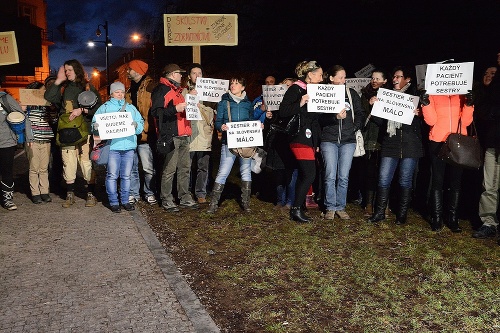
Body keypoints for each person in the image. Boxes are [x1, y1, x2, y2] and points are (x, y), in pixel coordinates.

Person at [367, 66, 423, 225]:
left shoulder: (415, 96)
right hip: (390, 143)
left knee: (405, 181)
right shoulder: (386, 96)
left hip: (410, 145)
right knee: (383, 179)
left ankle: (401, 215)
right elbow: (379, 122)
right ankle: (379, 213)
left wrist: (420, 114)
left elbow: (424, 123)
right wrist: (374, 107)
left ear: (408, 79)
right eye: (394, 77)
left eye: (399, 76)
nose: (395, 79)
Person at [44, 59, 102, 208]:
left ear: (77, 70)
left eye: (69, 70)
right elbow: (49, 98)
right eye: (65, 70)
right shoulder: (63, 88)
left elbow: (99, 110)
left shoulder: (88, 87)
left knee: (85, 162)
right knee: (68, 162)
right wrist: (58, 80)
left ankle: (90, 193)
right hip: (66, 131)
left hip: (85, 131)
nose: (67, 72)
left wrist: (82, 110)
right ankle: (70, 194)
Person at [421, 81, 474, 232]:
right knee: (437, 180)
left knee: (455, 182)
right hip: (438, 141)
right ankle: (437, 218)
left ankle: (452, 218)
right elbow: (431, 121)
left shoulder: (462, 94)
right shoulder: (434, 93)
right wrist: (426, 103)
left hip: (458, 142)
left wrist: (469, 104)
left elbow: (466, 122)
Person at [279, 60, 323, 222]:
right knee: (310, 173)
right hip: (299, 137)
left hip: (310, 138)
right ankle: (296, 209)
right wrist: (300, 102)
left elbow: (316, 120)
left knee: (306, 173)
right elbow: (283, 111)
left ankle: (297, 208)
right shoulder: (296, 89)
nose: (322, 77)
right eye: (319, 74)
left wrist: (317, 142)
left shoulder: (317, 91)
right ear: (310, 75)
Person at [150, 63, 198, 212]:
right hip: (171, 136)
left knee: (185, 168)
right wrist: (175, 109)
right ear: (171, 75)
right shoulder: (161, 90)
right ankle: (166, 199)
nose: (181, 75)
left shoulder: (177, 91)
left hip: (183, 134)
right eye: (179, 73)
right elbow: (156, 112)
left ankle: (184, 197)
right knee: (169, 169)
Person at [319, 65, 364, 220]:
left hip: (348, 141)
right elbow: (318, 118)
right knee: (330, 175)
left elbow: (359, 113)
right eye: (341, 77)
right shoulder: (323, 94)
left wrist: (354, 128)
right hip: (329, 140)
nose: (344, 80)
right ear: (331, 78)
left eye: (345, 77)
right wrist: (334, 118)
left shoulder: (351, 94)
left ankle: (341, 206)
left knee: (343, 176)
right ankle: (330, 207)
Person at [92, 81, 144, 213]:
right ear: (111, 94)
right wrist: (96, 127)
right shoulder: (105, 108)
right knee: (112, 175)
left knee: (126, 176)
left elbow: (140, 122)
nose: (120, 94)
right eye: (117, 92)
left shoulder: (131, 108)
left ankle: (125, 201)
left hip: (128, 147)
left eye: (122, 92)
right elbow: (95, 123)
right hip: (113, 147)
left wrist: (137, 126)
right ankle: (114, 202)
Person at [207, 76, 254, 213]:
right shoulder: (223, 103)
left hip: (246, 144)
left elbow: (251, 121)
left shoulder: (248, 104)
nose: (233, 85)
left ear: (243, 87)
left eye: (237, 83)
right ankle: (214, 204)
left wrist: (258, 126)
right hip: (228, 143)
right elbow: (217, 122)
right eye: (232, 83)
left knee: (246, 172)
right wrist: (221, 127)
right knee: (223, 172)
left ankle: (246, 203)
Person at [125, 59, 158, 206]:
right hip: (131, 135)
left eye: (130, 69)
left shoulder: (151, 87)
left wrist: (145, 127)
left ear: (138, 71)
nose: (127, 71)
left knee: (147, 167)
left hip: (145, 134)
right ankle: (133, 193)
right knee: (132, 167)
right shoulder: (129, 89)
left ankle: (149, 192)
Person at [182, 63, 216, 204]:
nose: (197, 76)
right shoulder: (183, 92)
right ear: (189, 76)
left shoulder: (210, 93)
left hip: (203, 134)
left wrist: (200, 105)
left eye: (199, 73)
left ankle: (200, 193)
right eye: (194, 73)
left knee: (203, 166)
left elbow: (213, 113)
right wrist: (188, 98)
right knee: (186, 166)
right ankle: (186, 192)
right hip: (188, 133)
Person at [472, 65, 499, 238]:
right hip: (491, 144)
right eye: (486, 73)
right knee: (489, 186)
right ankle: (489, 223)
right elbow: (482, 114)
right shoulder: (483, 94)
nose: (488, 76)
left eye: (493, 74)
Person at [359, 69, 389, 217]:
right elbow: (361, 116)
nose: (374, 80)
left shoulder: (390, 97)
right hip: (370, 138)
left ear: (385, 81)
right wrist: (369, 105)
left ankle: (384, 203)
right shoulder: (365, 95)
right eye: (372, 78)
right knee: (370, 171)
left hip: (384, 139)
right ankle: (369, 204)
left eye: (378, 78)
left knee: (384, 173)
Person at [264, 78, 298, 209]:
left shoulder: (296, 105)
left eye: (289, 86)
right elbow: (269, 127)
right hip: (277, 143)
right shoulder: (274, 107)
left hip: (291, 142)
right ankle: (280, 200)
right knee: (278, 173)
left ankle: (290, 201)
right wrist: (269, 118)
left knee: (291, 173)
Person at [24, 81, 58, 204]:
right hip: (33, 139)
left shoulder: (47, 104)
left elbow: (54, 120)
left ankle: (44, 191)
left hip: (46, 138)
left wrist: (53, 109)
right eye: (42, 90)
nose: (44, 92)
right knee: (34, 167)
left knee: (44, 167)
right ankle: (35, 193)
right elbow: (23, 120)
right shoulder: (28, 104)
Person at [0, 88, 24, 210]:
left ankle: (7, 198)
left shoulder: (6, 98)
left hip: (6, 142)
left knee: (7, 171)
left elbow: (21, 114)